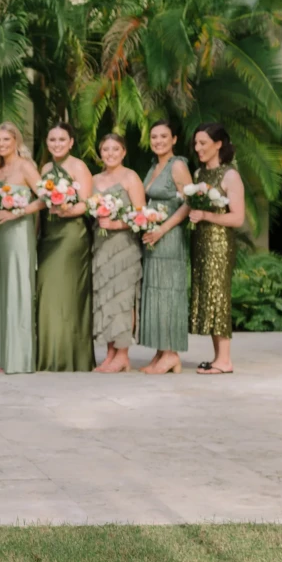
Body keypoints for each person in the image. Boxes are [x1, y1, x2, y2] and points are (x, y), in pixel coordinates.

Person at [35, 122, 94, 373]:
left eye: (62, 140)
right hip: (48, 235)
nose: (56, 144)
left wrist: (67, 208)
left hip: (71, 235)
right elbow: (40, 201)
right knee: (47, 291)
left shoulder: (79, 166)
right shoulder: (46, 168)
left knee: (69, 294)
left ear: (71, 142)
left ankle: (72, 357)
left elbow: (88, 204)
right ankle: (48, 355)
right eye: (52, 140)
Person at [189, 122, 245, 375]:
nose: (197, 148)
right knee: (209, 298)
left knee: (219, 297)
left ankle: (225, 360)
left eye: (203, 143)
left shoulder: (229, 175)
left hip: (220, 244)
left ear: (218, 144)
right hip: (201, 243)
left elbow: (238, 218)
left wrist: (205, 216)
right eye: (196, 143)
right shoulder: (199, 175)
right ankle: (217, 358)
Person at [138, 121, 193, 374]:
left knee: (169, 291)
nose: (158, 141)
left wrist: (163, 228)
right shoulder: (154, 166)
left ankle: (171, 352)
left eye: (163, 136)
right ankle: (161, 351)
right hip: (153, 239)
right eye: (154, 137)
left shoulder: (178, 165)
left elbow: (189, 204)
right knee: (157, 292)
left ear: (174, 139)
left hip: (169, 238)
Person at [0, 122, 42, 375]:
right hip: (1, 236)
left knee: (19, 288)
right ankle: (5, 355)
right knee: (3, 289)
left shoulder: (25, 166)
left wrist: (17, 212)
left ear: (15, 141)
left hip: (20, 233)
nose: (1, 145)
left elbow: (46, 198)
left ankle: (19, 357)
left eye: (6, 140)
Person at [90, 133, 145, 373]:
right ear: (100, 153)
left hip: (124, 245)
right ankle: (110, 352)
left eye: (115, 149)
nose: (110, 153)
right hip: (101, 246)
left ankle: (123, 354)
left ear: (123, 152)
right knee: (106, 298)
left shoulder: (131, 177)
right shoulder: (93, 179)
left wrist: (116, 224)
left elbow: (142, 217)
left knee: (122, 298)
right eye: (105, 149)